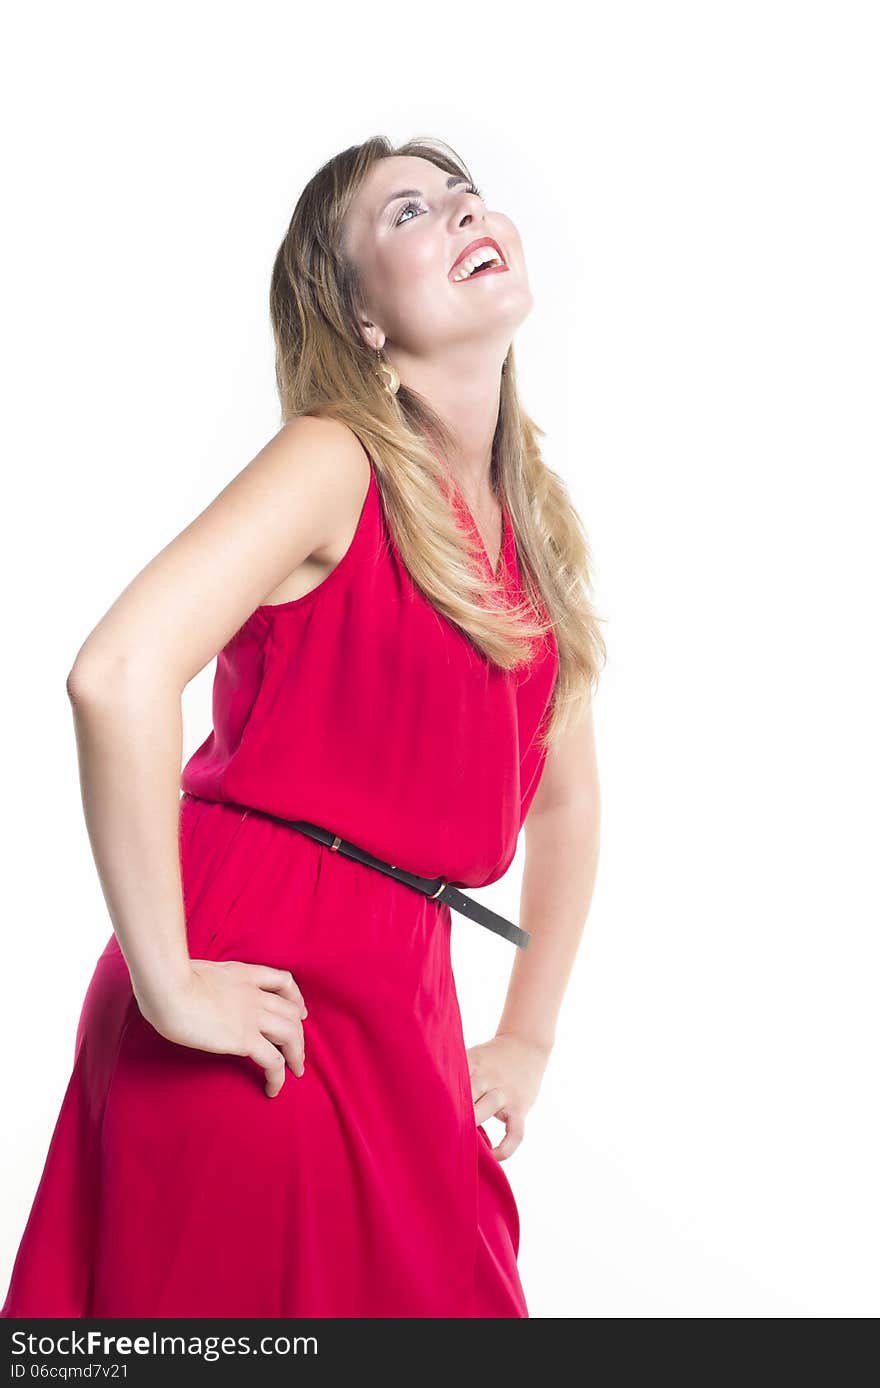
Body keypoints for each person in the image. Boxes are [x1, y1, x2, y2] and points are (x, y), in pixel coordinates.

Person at [0, 135, 605, 1319]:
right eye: (409, 213)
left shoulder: (531, 537)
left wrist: (526, 1036)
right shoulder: (333, 461)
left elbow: (567, 799)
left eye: (466, 194)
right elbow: (117, 673)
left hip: (403, 1004)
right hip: (259, 992)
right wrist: (170, 985)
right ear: (362, 320)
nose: (463, 211)